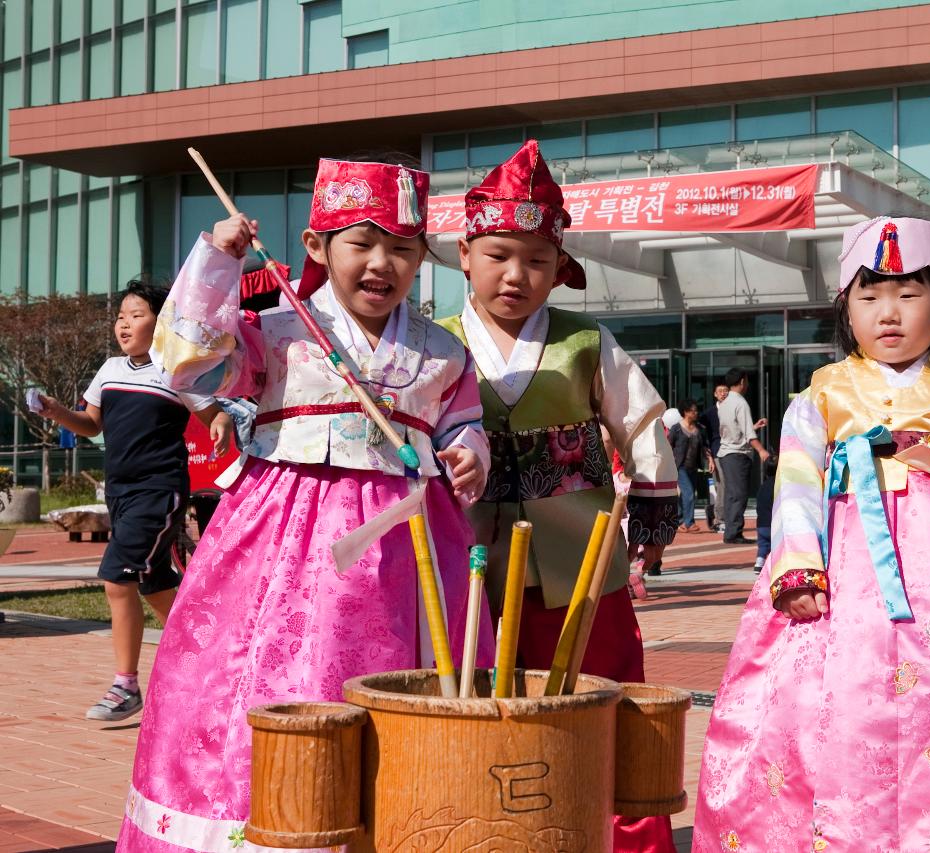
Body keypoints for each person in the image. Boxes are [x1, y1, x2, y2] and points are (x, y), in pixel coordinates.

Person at [117, 155, 492, 850]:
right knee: (263, 685)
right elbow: (185, 362)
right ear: (316, 246)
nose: (383, 263)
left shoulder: (442, 352)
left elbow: (459, 420)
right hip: (281, 547)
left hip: (409, 553)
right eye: (363, 242)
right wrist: (215, 263)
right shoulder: (274, 335)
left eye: (403, 248)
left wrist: (472, 450)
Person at [693, 217, 930, 849]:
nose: (888, 313)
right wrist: (796, 566)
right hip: (841, 579)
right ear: (847, 309)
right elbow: (794, 482)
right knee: (835, 709)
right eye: (869, 297)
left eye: (908, 294)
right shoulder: (822, 395)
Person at [436, 139, 679, 853]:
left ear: (560, 269)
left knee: (607, 697)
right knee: (481, 700)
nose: (517, 275)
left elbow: (639, 422)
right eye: (499, 255)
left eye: (537, 261)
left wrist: (656, 510)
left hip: (583, 567)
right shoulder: (438, 345)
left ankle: (627, 837)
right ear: (465, 254)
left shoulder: (584, 340)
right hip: (469, 567)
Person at [35, 279, 232, 723]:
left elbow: (212, 412)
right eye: (121, 316)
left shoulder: (176, 369)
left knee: (116, 579)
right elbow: (89, 424)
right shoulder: (109, 368)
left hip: (158, 490)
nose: (124, 324)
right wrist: (54, 410)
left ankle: (126, 686)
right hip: (120, 491)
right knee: (154, 583)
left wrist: (220, 423)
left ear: (160, 323)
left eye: (136, 315)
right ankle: (211, 655)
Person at [717, 368, 770, 544]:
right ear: (742, 382)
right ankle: (733, 533)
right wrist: (762, 450)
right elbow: (748, 435)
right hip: (737, 454)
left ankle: (731, 531)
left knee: (731, 493)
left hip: (726, 453)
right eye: (746, 380)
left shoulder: (724, 403)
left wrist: (753, 426)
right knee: (738, 494)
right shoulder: (740, 403)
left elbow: (734, 429)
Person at [668, 399, 713, 532]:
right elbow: (669, 446)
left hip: (693, 467)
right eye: (693, 410)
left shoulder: (699, 429)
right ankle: (689, 522)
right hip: (679, 466)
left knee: (687, 494)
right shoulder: (676, 428)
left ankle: (680, 519)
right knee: (688, 494)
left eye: (696, 410)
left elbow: (705, 447)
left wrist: (710, 459)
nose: (696, 413)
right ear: (685, 412)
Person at [700, 382, 728, 531]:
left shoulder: (733, 410)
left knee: (724, 485)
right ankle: (719, 518)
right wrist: (708, 455)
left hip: (730, 451)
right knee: (722, 484)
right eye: (720, 391)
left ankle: (713, 511)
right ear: (715, 395)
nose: (723, 393)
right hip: (717, 452)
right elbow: (700, 433)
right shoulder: (708, 414)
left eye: (726, 391)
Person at [753, 452, 777, 572]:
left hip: (761, 523)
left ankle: (759, 562)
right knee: (776, 545)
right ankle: (774, 565)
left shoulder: (763, 486)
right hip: (773, 523)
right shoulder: (778, 485)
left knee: (763, 545)